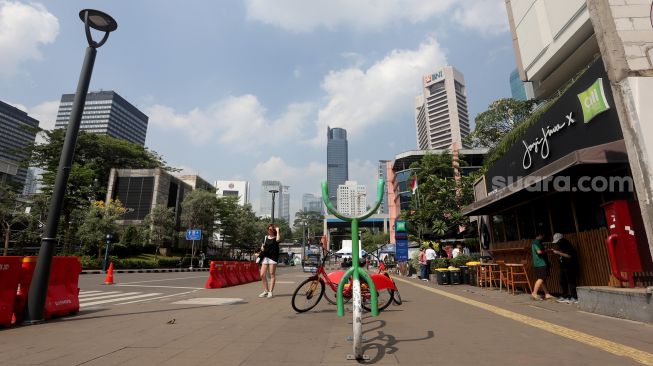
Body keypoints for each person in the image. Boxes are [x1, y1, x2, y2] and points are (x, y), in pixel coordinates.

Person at [551, 233, 579, 304]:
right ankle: (565, 296)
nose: (557, 243)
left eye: (557, 241)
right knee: (562, 281)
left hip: (569, 266)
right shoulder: (561, 245)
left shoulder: (567, 244)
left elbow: (569, 256)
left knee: (571, 282)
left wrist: (558, 252)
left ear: (560, 240)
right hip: (563, 266)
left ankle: (574, 297)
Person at [259, 224, 280, 298]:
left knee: (272, 274)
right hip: (265, 257)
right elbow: (262, 245)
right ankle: (266, 291)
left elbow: (278, 240)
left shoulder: (276, 237)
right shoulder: (265, 237)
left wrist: (277, 231)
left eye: (271, 229)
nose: (269, 230)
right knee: (262, 274)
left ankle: (270, 292)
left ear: (273, 230)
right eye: (268, 229)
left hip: (273, 257)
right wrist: (262, 247)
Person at [531, 233, 554, 301]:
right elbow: (539, 252)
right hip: (541, 263)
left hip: (538, 263)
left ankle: (547, 294)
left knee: (542, 279)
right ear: (539, 235)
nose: (543, 237)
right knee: (541, 278)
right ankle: (534, 293)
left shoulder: (536, 242)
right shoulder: (536, 242)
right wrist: (548, 250)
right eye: (543, 235)